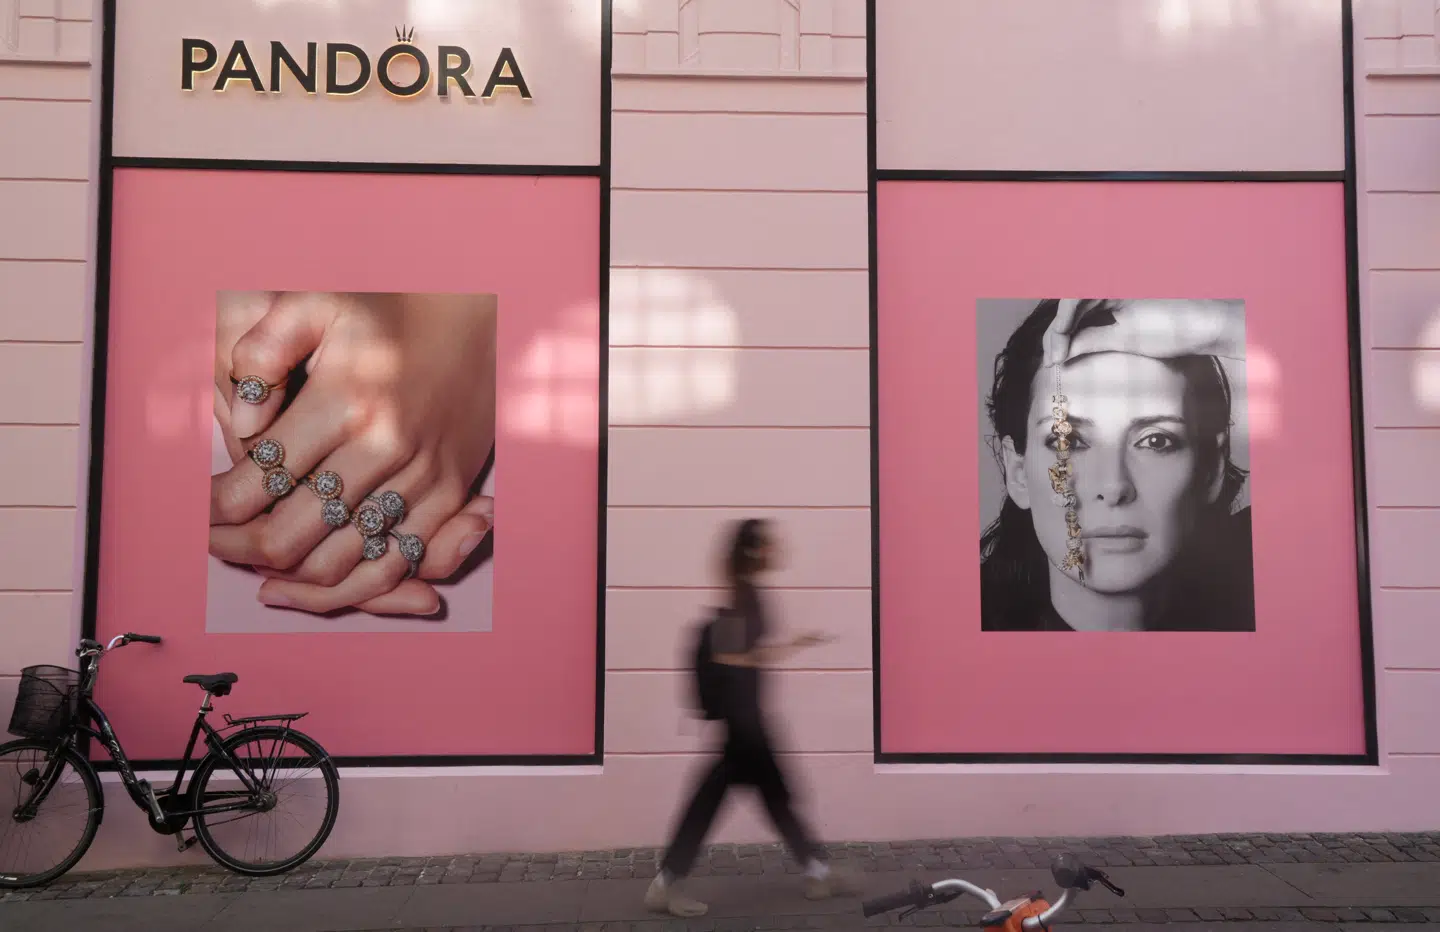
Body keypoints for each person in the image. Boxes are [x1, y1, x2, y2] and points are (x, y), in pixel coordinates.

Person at [979, 298, 1254, 632]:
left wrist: (1219, 328)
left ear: (1211, 470)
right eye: (1068, 442)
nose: (1113, 487)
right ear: (1018, 473)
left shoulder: (1278, 576)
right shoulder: (949, 622)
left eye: (1156, 441)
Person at [644, 519, 859, 917]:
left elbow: (744, 654)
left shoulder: (749, 593)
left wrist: (793, 645)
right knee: (718, 802)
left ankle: (818, 872)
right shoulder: (744, 595)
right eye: (771, 543)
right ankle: (665, 884)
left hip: (746, 719)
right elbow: (731, 657)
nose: (778, 549)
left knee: (774, 798)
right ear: (755, 550)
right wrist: (774, 658)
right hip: (743, 724)